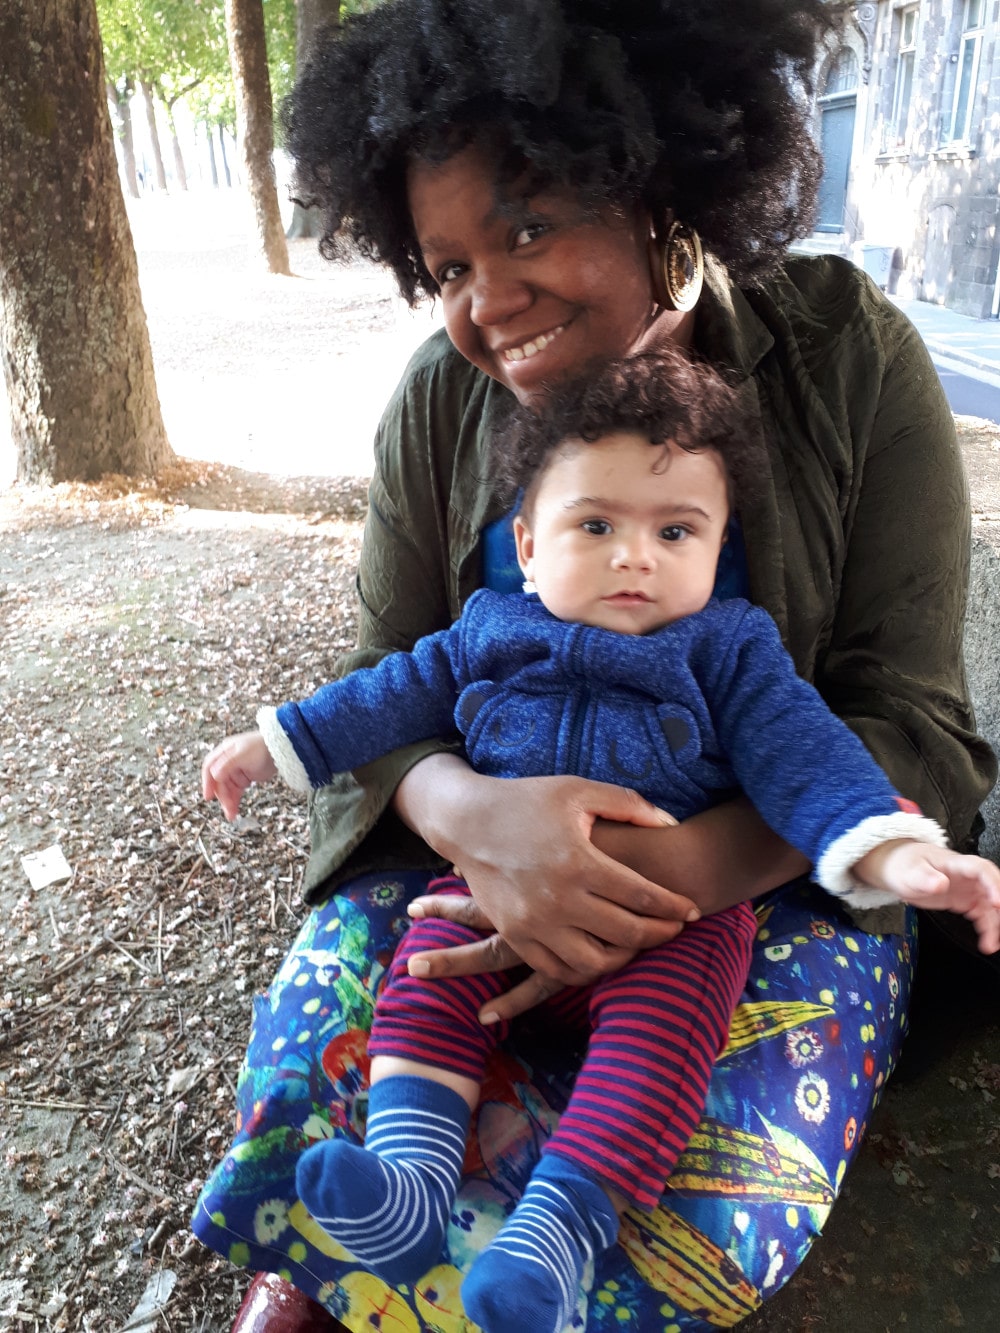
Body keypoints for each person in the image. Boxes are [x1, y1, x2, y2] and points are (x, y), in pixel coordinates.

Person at [190, 3, 999, 1331]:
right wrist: (476, 822)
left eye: (525, 228)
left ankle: (531, 1247)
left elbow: (913, 721)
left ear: (655, 176)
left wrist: (665, 878)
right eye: (447, 262)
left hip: (759, 875)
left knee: (713, 1186)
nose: (485, 305)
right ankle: (373, 1232)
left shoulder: (851, 359)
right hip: (467, 856)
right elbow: (386, 674)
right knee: (325, 1061)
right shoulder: (437, 403)